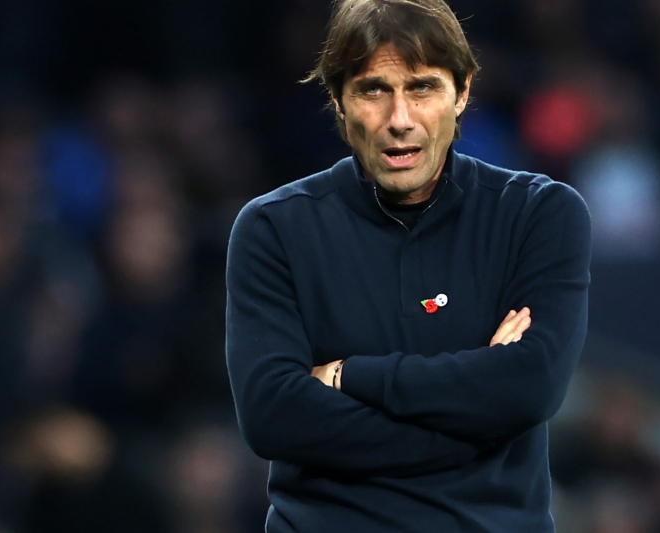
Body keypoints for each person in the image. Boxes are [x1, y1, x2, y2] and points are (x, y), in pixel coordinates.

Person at [225, 0, 591, 531]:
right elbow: (272, 418)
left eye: (422, 88)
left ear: (461, 93)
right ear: (338, 100)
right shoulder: (273, 228)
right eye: (373, 90)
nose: (399, 119)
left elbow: (531, 386)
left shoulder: (538, 214)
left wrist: (350, 375)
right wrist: (478, 416)